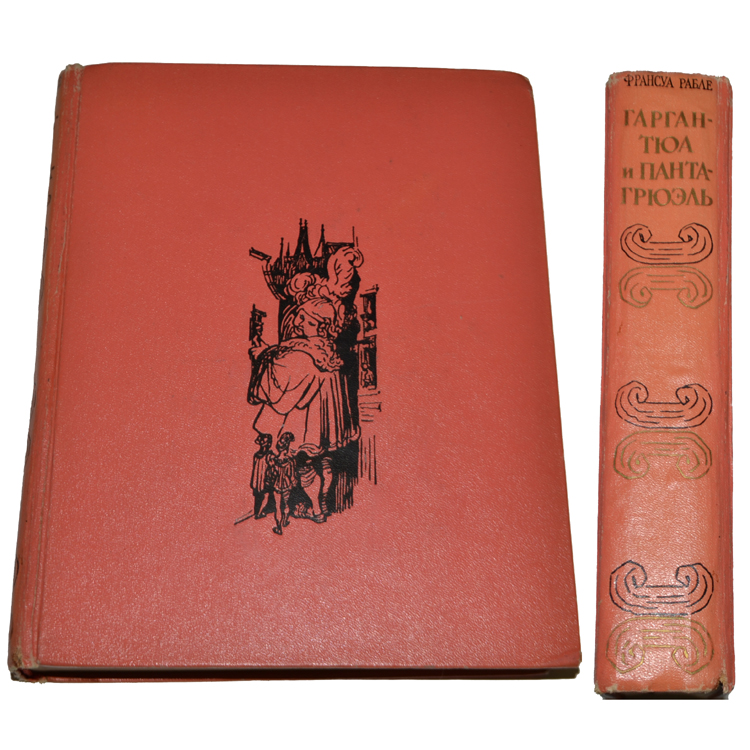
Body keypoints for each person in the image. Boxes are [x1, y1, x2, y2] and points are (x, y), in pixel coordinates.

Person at [248, 297, 358, 521]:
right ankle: (322, 505)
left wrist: (261, 356)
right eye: (300, 317)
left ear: (319, 325)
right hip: (326, 424)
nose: (298, 323)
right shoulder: (329, 351)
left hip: (306, 423)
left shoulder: (302, 354)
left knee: (304, 465)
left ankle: (315, 509)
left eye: (304, 320)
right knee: (324, 461)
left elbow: (278, 380)